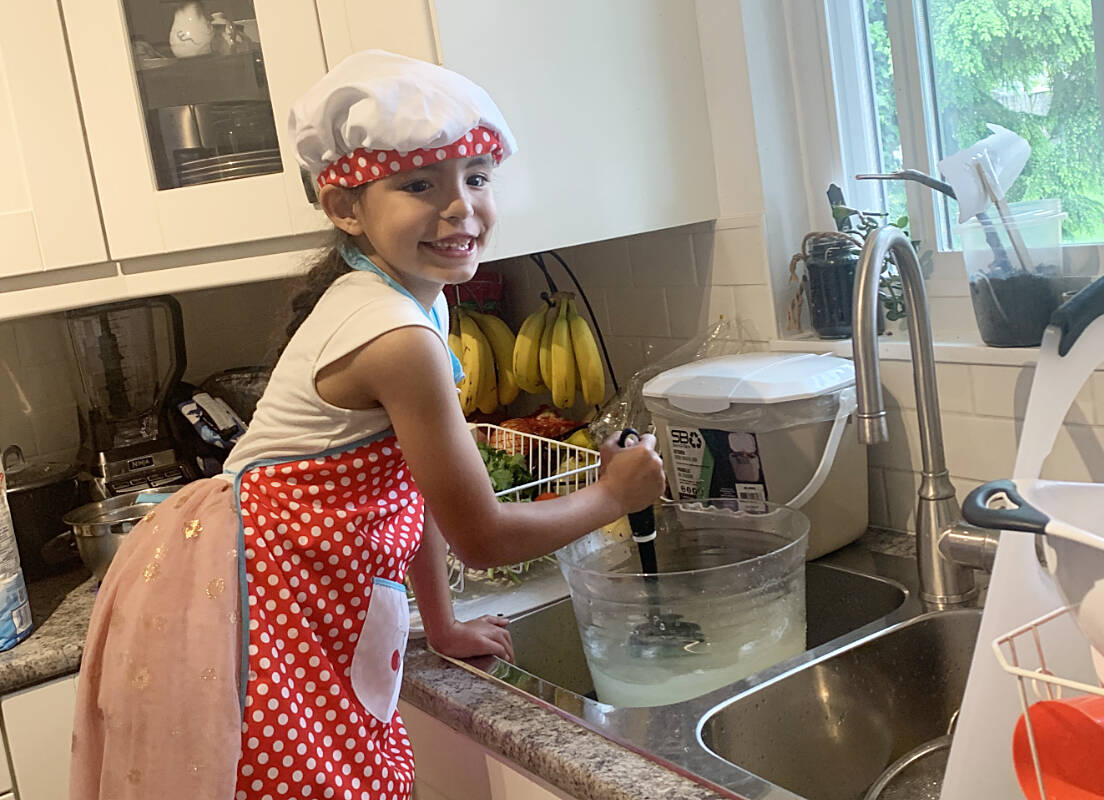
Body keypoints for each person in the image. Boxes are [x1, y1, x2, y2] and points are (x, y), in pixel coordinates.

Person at [69, 49, 664, 800]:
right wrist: (614, 495)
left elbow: (408, 491)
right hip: (255, 604)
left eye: (476, 178)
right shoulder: (397, 337)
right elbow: (482, 536)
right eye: (419, 184)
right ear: (345, 207)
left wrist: (442, 626)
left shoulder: (414, 296)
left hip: (286, 589)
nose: (461, 207)